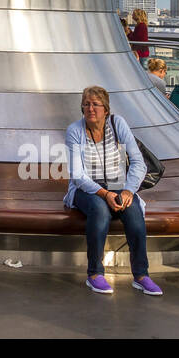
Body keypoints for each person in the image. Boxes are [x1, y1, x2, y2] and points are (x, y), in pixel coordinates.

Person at [64, 86, 162, 296]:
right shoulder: (75, 130)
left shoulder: (118, 124)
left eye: (96, 104)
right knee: (99, 210)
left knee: (134, 212)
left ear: (106, 109)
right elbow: (78, 175)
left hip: (119, 184)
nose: (91, 108)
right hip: (87, 187)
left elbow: (138, 162)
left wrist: (128, 191)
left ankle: (141, 275)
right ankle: (95, 274)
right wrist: (105, 194)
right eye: (86, 104)